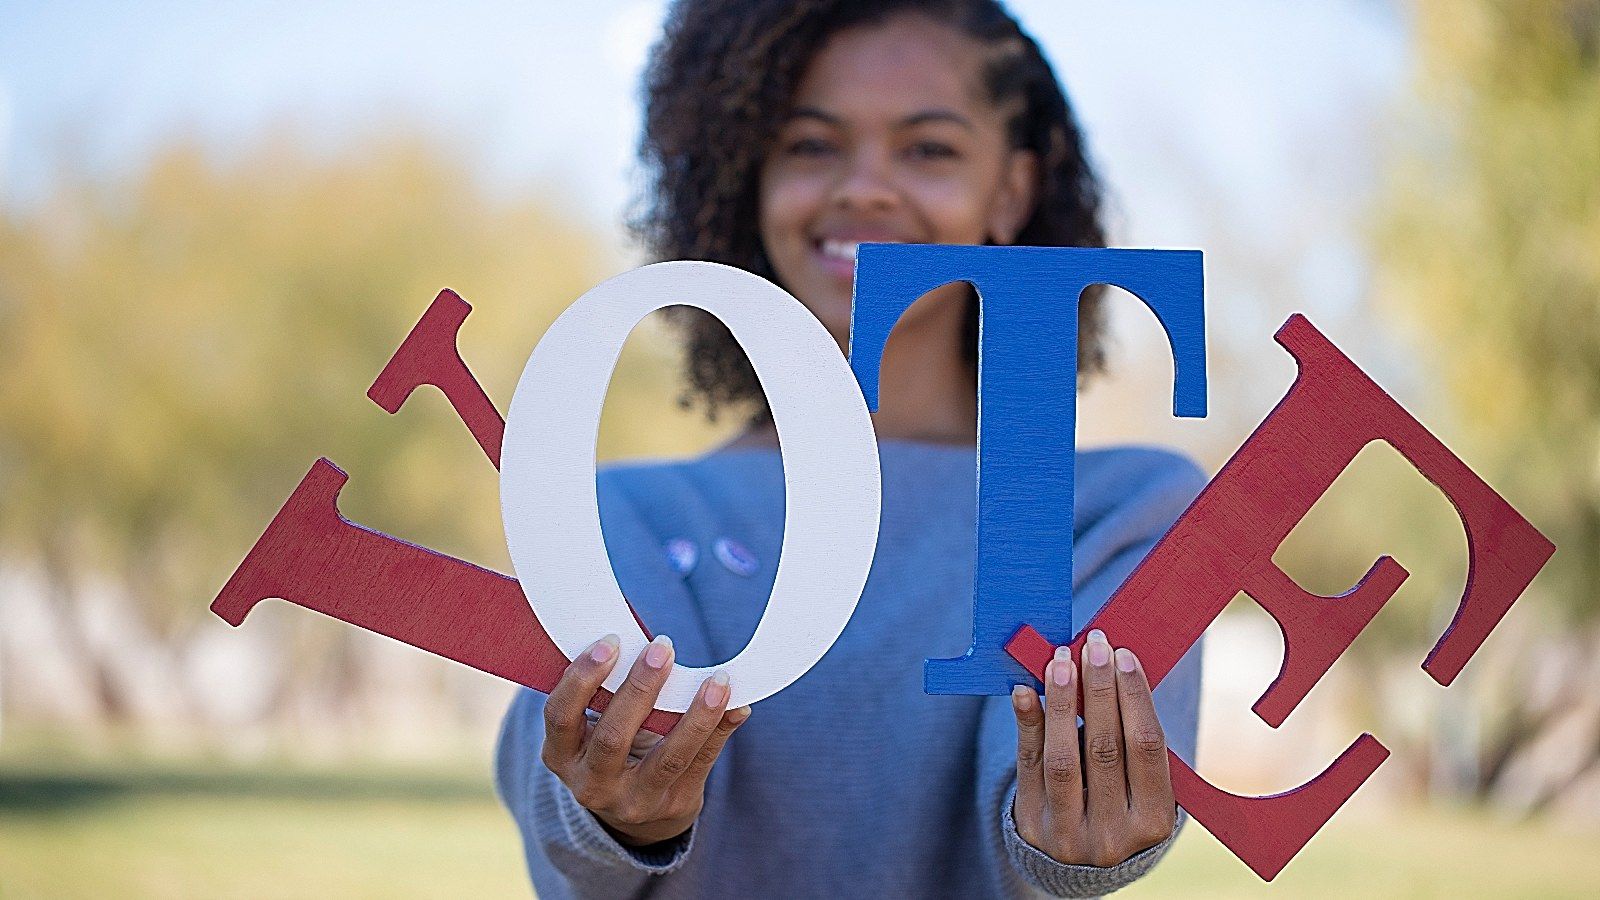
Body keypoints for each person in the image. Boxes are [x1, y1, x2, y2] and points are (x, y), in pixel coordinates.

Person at [495, 1, 1205, 896]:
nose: (863, 187)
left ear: (1012, 192)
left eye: (929, 149)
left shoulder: (1123, 513)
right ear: (746, 180)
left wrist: (1073, 844)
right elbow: (568, 851)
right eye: (810, 145)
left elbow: (1048, 858)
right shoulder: (621, 519)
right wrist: (609, 816)